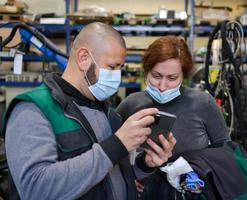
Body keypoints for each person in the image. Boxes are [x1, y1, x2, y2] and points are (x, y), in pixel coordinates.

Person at [2, 22, 176, 200]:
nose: (117, 77)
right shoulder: (32, 110)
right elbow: (36, 189)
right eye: (112, 67)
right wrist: (117, 144)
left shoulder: (107, 112)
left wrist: (144, 164)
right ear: (84, 58)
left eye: (120, 68)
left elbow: (110, 174)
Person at [116, 36, 231, 199]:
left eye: (172, 78)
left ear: (183, 76)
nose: (162, 86)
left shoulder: (203, 103)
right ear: (147, 71)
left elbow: (225, 154)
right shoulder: (130, 105)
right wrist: (126, 179)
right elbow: (112, 152)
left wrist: (201, 178)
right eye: (156, 76)